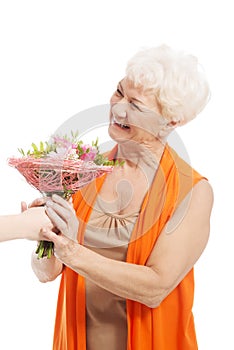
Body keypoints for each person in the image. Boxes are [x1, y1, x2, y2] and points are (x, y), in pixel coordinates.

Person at [31, 44, 214, 350]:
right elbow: (45, 273)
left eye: (136, 106)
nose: (118, 108)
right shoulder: (86, 168)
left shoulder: (193, 192)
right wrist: (46, 241)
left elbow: (155, 287)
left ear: (171, 122)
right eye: (119, 92)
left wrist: (72, 252)